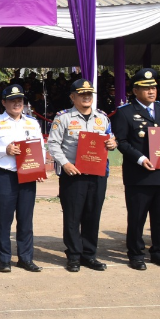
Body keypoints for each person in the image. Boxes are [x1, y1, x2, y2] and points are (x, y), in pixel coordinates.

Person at [45, 79, 117, 272]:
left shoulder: (102, 118)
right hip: (73, 173)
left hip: (98, 173)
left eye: (89, 94)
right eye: (82, 94)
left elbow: (110, 138)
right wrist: (65, 164)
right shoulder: (63, 118)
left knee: (93, 215)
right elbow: (53, 144)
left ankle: (89, 255)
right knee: (72, 216)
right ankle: (74, 255)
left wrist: (112, 144)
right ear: (72, 97)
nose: (86, 97)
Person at [111, 68, 160, 270]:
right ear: (135, 90)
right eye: (146, 88)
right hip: (139, 174)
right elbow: (122, 142)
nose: (151, 91)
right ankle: (136, 254)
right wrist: (140, 159)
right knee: (137, 217)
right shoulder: (125, 112)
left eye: (154, 88)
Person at [0, 85, 47, 273]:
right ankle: (5, 259)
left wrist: (40, 169)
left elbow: (40, 147)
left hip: (28, 175)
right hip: (5, 176)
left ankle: (25, 258)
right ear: (3, 102)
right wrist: (4, 150)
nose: (17, 103)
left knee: (26, 219)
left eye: (20, 100)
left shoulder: (32, 123)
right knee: (3, 219)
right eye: (12, 100)